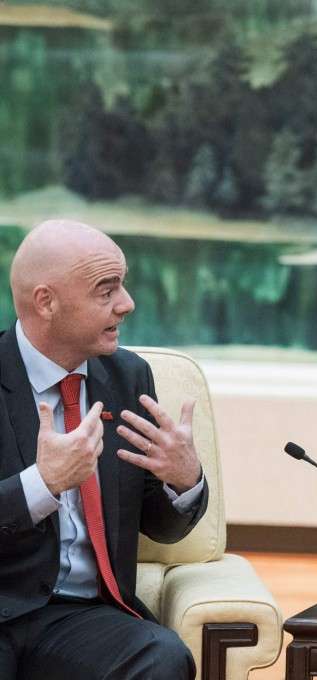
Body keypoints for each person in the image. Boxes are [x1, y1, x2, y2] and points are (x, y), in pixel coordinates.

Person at [0, 220, 208, 680]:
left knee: (162, 656)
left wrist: (183, 479)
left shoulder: (128, 377)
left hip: (81, 619)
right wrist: (43, 485)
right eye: (106, 289)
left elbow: (161, 525)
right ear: (46, 301)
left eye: (123, 285)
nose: (127, 304)